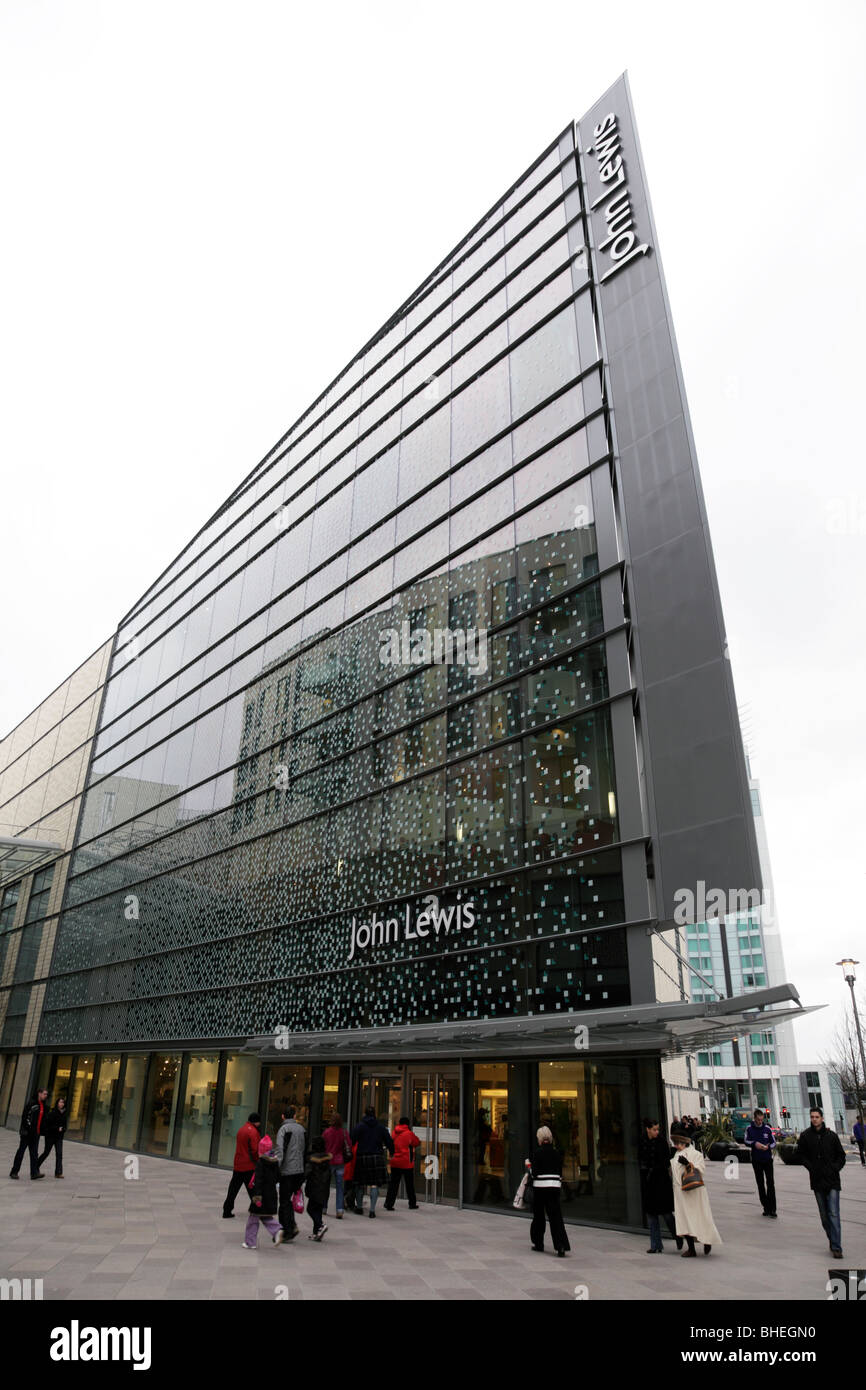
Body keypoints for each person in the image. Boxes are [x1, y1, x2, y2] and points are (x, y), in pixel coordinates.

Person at [796, 1107, 846, 1258]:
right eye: (812, 1117)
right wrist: (811, 1168)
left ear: (822, 1118)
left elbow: (841, 1156)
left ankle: (837, 1247)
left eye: (817, 1117)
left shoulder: (831, 1136)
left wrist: (835, 1168)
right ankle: (832, 1239)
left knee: (834, 1213)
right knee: (824, 1216)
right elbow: (801, 1155)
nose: (814, 1119)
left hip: (832, 1181)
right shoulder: (806, 1136)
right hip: (817, 1181)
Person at [671, 1133, 721, 1256]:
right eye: (675, 1143)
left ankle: (707, 1240)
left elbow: (701, 1170)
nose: (677, 1146)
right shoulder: (675, 1156)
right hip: (681, 1193)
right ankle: (691, 1248)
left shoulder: (696, 1154)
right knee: (684, 1219)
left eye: (679, 1143)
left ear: (685, 1143)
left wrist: (688, 1164)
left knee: (701, 1217)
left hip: (695, 1192)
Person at [526, 1125, 570, 1257]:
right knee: (556, 1216)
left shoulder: (537, 1153)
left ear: (539, 1139)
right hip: (554, 1187)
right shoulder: (557, 1154)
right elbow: (559, 1172)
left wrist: (529, 1167)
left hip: (540, 1187)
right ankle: (561, 1246)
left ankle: (538, 1243)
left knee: (539, 1216)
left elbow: (535, 1173)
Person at [638, 1118, 681, 1253]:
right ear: (648, 1129)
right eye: (654, 1129)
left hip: (661, 1181)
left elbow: (665, 1161)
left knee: (666, 1213)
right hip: (648, 1180)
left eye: (658, 1129)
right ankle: (655, 1245)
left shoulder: (661, 1142)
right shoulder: (643, 1141)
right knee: (651, 1215)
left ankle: (677, 1235)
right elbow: (640, 1157)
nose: (657, 1132)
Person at [350, 1106, 394, 1217]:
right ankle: (372, 1211)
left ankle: (359, 1208)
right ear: (374, 1114)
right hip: (377, 1157)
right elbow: (389, 1141)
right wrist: (392, 1152)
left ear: (365, 1114)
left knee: (360, 1184)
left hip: (362, 1157)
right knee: (374, 1185)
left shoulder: (360, 1126)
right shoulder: (380, 1127)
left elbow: (351, 1140)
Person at [242, 1135, 285, 1249]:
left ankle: (250, 1242)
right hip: (271, 1193)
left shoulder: (261, 1163)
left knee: (253, 1218)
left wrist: (256, 1196)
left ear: (261, 1150)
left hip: (261, 1194)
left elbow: (259, 1180)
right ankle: (277, 1230)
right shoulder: (275, 1162)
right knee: (264, 1216)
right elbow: (278, 1177)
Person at [276, 1106, 307, 1239]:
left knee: (284, 1200)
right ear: (294, 1116)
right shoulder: (302, 1129)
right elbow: (304, 1149)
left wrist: (277, 1168)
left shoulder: (284, 1129)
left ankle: (288, 1229)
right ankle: (292, 1225)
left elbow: (279, 1150)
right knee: (289, 1199)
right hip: (299, 1170)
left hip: (287, 1170)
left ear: (283, 1116)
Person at [222, 1112, 261, 1218]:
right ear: (256, 1122)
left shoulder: (241, 1129)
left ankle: (226, 1210)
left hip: (238, 1164)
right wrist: (258, 1162)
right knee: (254, 1190)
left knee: (233, 1190)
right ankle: (259, 1210)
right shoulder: (253, 1132)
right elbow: (255, 1150)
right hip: (249, 1166)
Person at [744, 1108, 777, 1218]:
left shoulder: (767, 1128)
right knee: (760, 1184)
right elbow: (746, 1141)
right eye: (758, 1120)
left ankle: (773, 1209)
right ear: (754, 1118)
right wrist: (754, 1144)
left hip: (767, 1159)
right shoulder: (749, 1128)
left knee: (770, 1183)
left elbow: (773, 1142)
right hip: (756, 1160)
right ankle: (765, 1207)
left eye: (761, 1120)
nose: (760, 1122)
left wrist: (768, 1147)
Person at [9, 1088, 49, 1180]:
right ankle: (14, 1172)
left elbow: (43, 1120)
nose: (45, 1096)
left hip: (36, 1134)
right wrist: (29, 1129)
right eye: (44, 1094)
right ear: (39, 1093)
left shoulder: (43, 1106)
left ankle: (34, 1173)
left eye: (46, 1094)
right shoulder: (31, 1104)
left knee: (34, 1154)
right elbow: (25, 1117)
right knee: (21, 1152)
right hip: (27, 1133)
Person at [384, 1116, 421, 1211]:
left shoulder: (394, 1133)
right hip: (406, 1163)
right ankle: (412, 1203)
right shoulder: (409, 1134)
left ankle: (389, 1203)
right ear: (407, 1124)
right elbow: (416, 1142)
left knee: (393, 1184)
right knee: (409, 1184)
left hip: (395, 1161)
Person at [323, 1112, 352, 1219]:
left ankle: (324, 1207)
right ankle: (339, 1210)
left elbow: (322, 1145)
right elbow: (349, 1144)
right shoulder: (343, 1132)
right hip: (340, 1162)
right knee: (340, 1187)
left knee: (325, 1185)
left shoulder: (326, 1132)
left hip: (329, 1161)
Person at [304, 1136, 332, 1241]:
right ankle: (316, 1233)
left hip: (314, 1187)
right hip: (324, 1188)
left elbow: (307, 1173)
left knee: (310, 1209)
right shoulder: (326, 1158)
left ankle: (320, 1225)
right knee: (318, 1210)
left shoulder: (312, 1159)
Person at [37, 1097, 68, 1178]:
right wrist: (57, 1128)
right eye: (60, 1102)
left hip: (59, 1137)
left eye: (63, 1103)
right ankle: (35, 1166)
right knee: (46, 1152)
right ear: (57, 1103)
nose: (61, 1104)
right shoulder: (52, 1112)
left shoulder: (64, 1113)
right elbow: (47, 1125)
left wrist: (63, 1129)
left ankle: (58, 1172)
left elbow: (65, 1126)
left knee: (59, 1154)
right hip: (50, 1136)